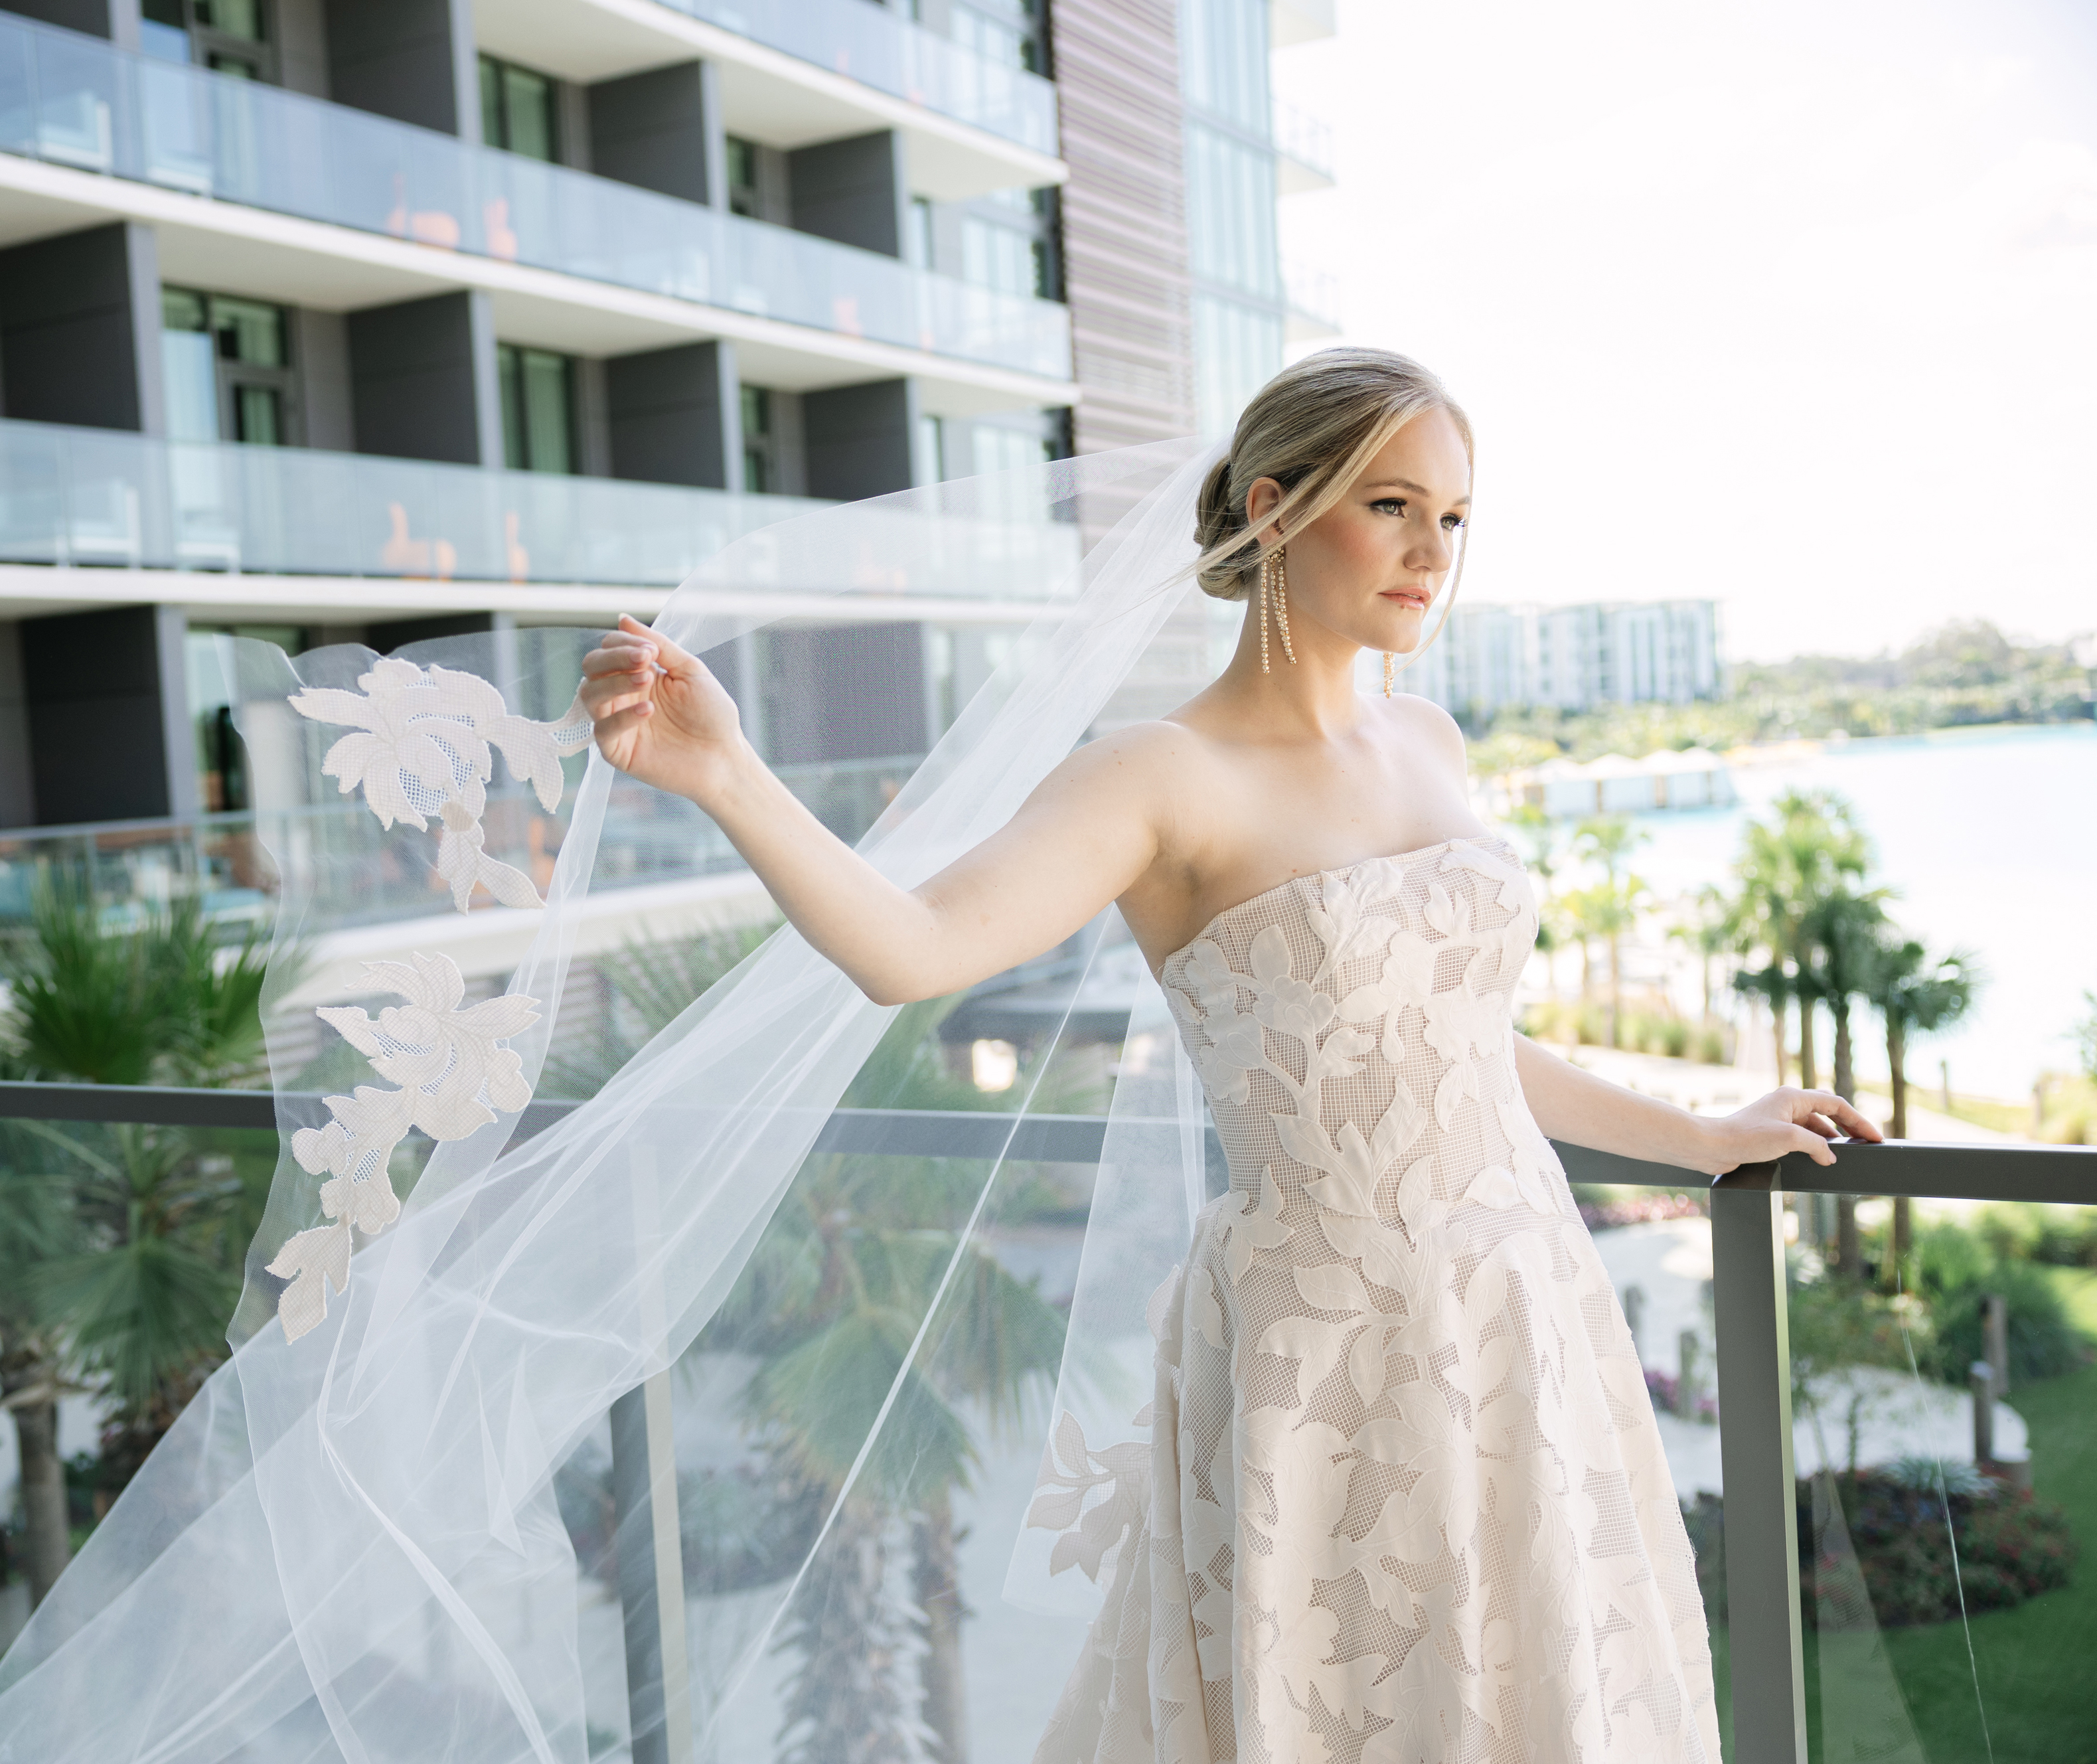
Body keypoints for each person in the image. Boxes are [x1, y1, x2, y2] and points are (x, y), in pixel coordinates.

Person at [576, 348, 1878, 1763]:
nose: (1427, 552)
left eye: (1451, 516)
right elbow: (908, 945)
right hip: (1329, 1350)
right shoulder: (1155, 773)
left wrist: (1698, 1134)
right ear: (1272, 506)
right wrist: (724, 773)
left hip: (1524, 1308)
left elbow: (1458, 1045)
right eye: (1389, 505)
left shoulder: (1430, 737)